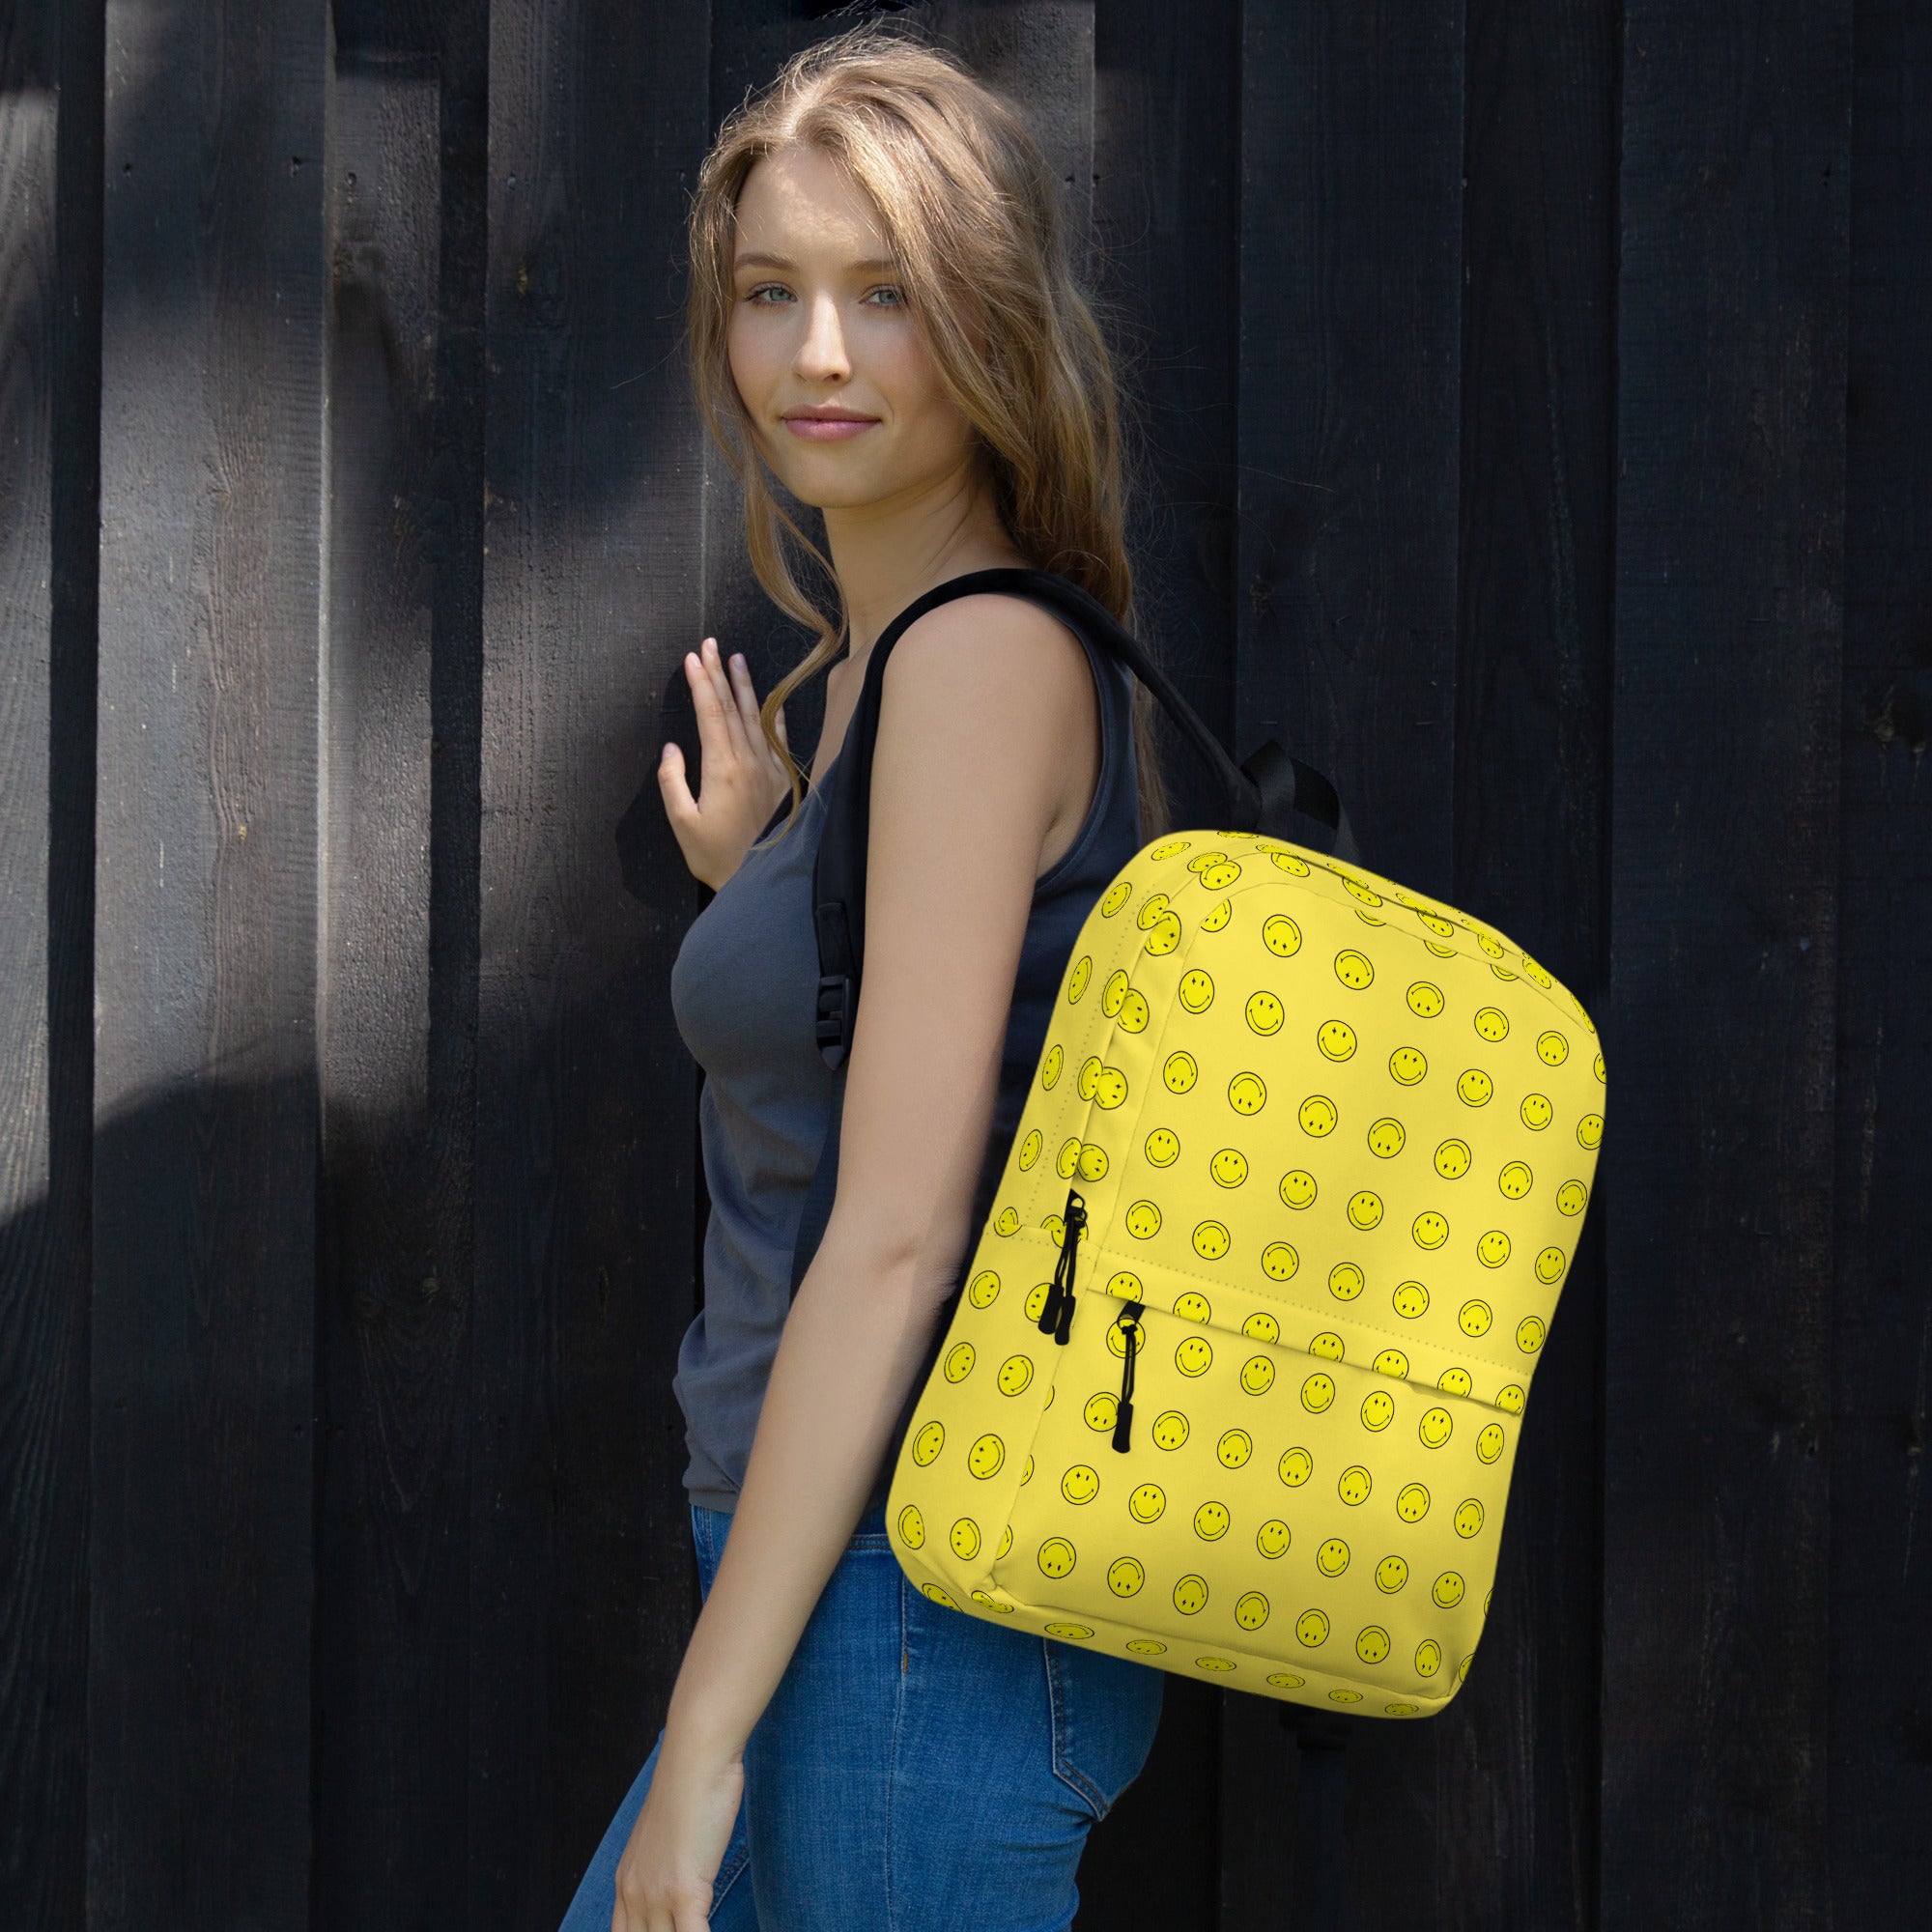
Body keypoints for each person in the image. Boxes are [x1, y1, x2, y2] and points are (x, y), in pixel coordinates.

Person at [559, 27, 1172, 1932]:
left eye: (883, 296)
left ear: (987, 326)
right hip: (833, 1578)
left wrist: (708, 1731)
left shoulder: (977, 665)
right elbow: (895, 1077)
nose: (814, 354)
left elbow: (901, 1232)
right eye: (770, 294)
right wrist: (768, 885)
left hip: (913, 1604)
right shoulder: (873, 673)